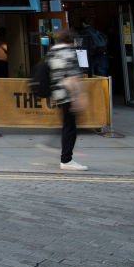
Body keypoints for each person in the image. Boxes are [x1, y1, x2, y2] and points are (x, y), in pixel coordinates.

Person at [47, 29, 89, 171]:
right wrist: (78, 97)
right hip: (68, 95)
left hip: (58, 93)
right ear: (71, 42)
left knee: (67, 124)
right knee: (70, 127)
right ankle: (66, 159)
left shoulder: (52, 52)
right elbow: (72, 77)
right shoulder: (68, 53)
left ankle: (61, 153)